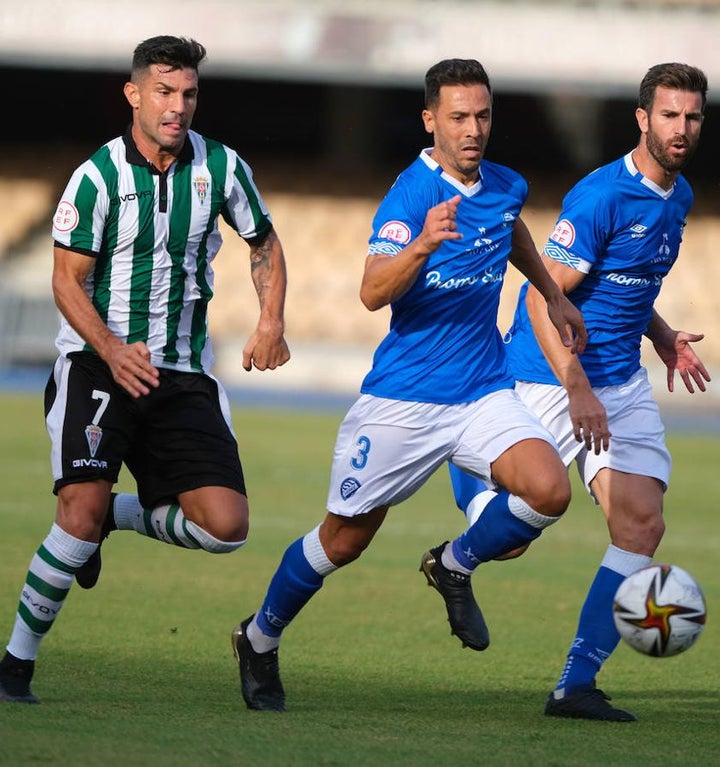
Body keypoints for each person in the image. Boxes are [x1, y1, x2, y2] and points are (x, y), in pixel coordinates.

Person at [230, 58, 587, 712]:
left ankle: (453, 562)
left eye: (482, 115)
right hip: (403, 400)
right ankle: (259, 635)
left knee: (550, 488)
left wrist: (550, 294)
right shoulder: (410, 196)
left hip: (483, 390)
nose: (473, 128)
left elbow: (509, 230)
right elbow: (370, 291)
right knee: (342, 540)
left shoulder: (505, 185)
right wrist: (421, 246)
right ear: (431, 121)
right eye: (458, 117)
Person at [0, 35, 291, 704]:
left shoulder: (222, 167)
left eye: (187, 94)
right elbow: (67, 281)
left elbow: (263, 241)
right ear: (134, 94)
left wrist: (271, 318)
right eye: (163, 91)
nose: (177, 106)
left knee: (226, 527)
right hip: (99, 365)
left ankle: (117, 519)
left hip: (182, 373)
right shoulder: (97, 176)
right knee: (77, 507)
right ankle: (15, 664)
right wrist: (112, 347)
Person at [448, 62, 711, 722]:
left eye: (693, 116)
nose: (682, 128)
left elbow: (632, 284)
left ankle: (575, 684)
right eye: (670, 115)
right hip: (549, 375)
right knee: (510, 539)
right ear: (642, 118)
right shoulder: (601, 198)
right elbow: (544, 297)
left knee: (641, 523)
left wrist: (661, 333)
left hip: (618, 379)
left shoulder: (678, 197)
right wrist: (575, 388)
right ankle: (455, 559)